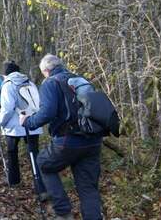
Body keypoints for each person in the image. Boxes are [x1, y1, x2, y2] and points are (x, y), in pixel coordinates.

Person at [20, 54, 103, 220]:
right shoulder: (80, 80)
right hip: (93, 140)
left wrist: (28, 121)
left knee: (44, 163)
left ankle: (63, 212)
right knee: (88, 188)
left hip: (68, 139)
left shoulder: (51, 83)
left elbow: (47, 113)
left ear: (45, 70)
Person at [0, 61, 47, 198]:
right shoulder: (30, 82)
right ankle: (41, 188)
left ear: (5, 74)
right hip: (33, 124)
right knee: (34, 154)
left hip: (14, 127)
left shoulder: (8, 85)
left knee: (12, 153)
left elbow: (7, 109)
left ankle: (14, 181)